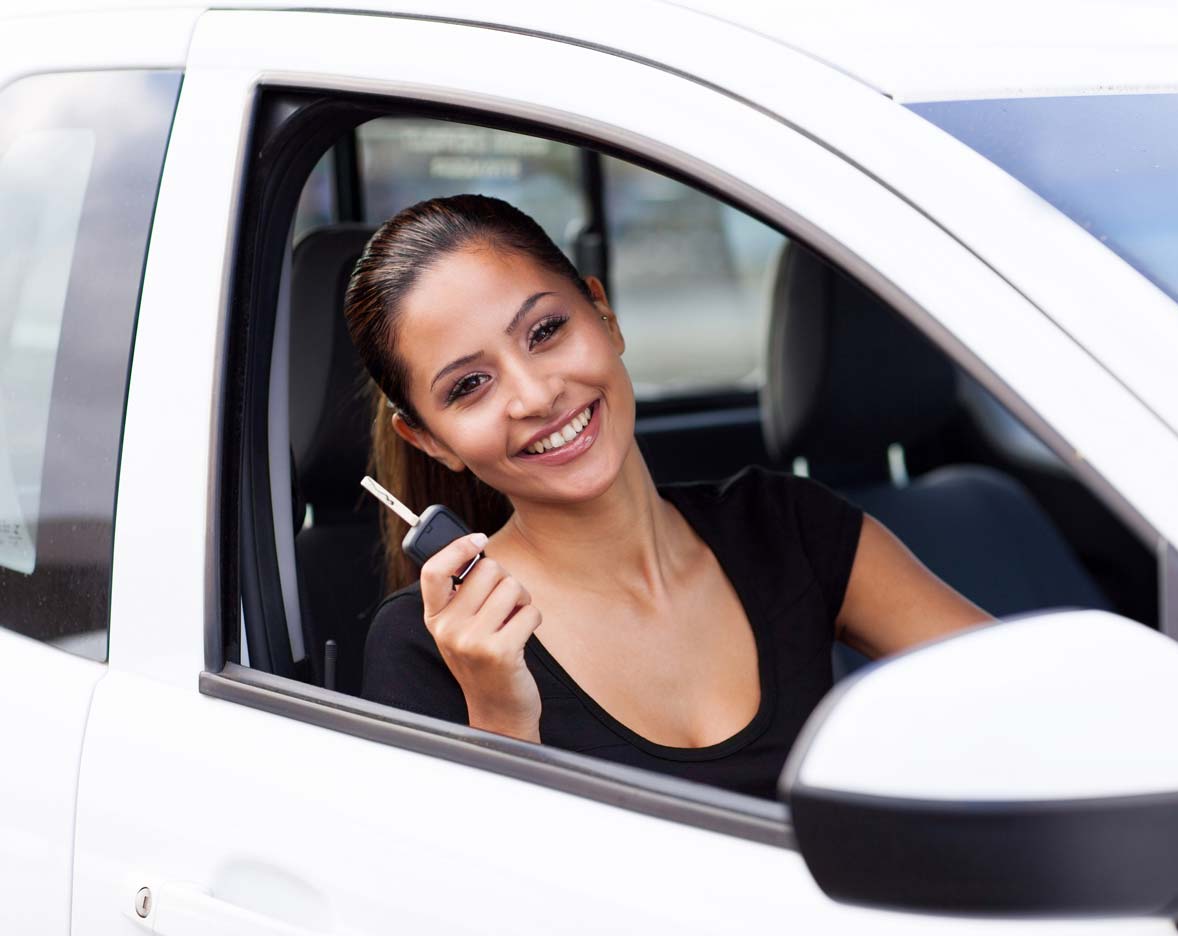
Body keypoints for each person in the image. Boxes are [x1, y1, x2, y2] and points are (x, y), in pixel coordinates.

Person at [345, 194, 991, 799]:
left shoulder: (787, 527)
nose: (536, 395)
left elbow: (1039, 694)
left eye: (544, 332)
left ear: (605, 316)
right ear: (431, 441)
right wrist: (499, 718)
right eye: (471, 385)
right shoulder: (431, 646)